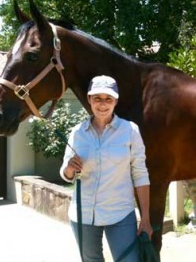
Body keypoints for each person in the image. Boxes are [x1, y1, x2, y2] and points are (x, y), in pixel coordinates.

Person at [60, 75, 153, 262]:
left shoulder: (130, 131)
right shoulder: (78, 133)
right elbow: (65, 174)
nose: (102, 104)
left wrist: (145, 218)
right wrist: (70, 168)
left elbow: (140, 176)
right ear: (89, 99)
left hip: (120, 213)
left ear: (116, 101)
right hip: (83, 214)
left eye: (108, 99)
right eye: (97, 98)